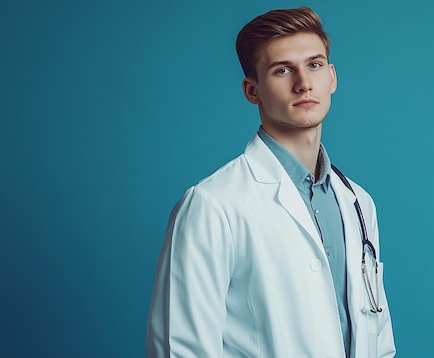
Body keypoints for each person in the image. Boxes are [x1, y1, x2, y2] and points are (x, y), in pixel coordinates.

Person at [146, 7, 395, 357]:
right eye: (282, 70)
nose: (304, 83)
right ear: (252, 90)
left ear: (332, 77)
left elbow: (378, 338)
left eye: (314, 64)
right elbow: (181, 350)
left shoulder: (357, 202)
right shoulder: (213, 205)